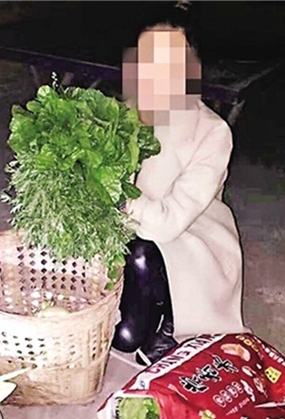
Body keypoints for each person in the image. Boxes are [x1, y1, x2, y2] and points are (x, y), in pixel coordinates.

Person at [112, 9, 249, 365]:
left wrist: (120, 198)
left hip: (190, 240)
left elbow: (169, 223)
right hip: (135, 229)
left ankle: (174, 316)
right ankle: (147, 301)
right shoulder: (126, 113)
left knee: (141, 253)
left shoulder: (212, 132)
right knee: (123, 335)